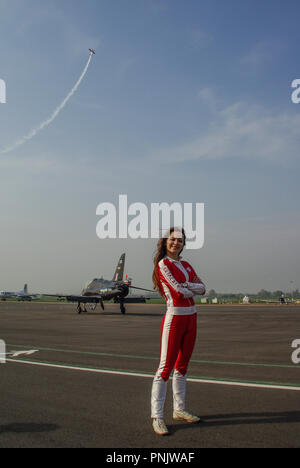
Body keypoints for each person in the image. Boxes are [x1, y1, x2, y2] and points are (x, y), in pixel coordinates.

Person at [151, 227, 206, 436]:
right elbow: (179, 292)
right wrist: (189, 287)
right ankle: (157, 416)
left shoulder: (186, 264)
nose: (176, 243)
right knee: (165, 368)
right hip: (174, 318)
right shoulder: (163, 265)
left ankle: (179, 409)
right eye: (173, 240)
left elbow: (202, 288)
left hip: (192, 318)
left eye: (180, 241)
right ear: (166, 241)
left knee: (182, 366)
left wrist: (188, 285)